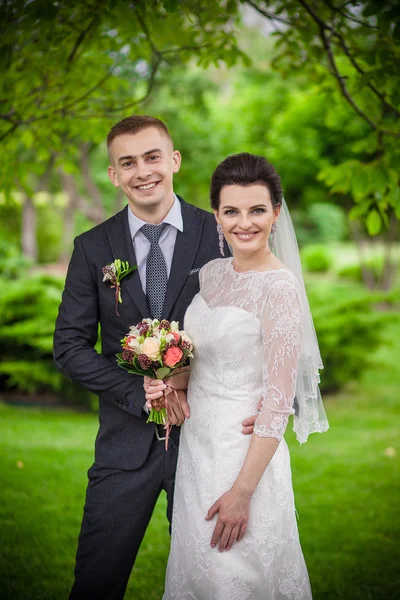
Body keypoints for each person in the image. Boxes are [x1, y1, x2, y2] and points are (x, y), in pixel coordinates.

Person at [53, 116, 259, 599]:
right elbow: (69, 346)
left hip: (207, 443)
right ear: (114, 175)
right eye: (128, 162)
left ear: (174, 161)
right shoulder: (92, 248)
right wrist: (136, 392)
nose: (142, 171)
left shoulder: (219, 234)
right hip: (124, 447)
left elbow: (255, 330)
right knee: (96, 582)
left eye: (151, 157)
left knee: (210, 582)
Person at [145, 152, 329, 599]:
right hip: (197, 452)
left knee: (238, 577)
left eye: (257, 210)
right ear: (217, 215)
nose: (244, 222)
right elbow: (199, 360)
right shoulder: (211, 274)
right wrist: (166, 381)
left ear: (276, 214)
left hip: (245, 459)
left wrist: (243, 493)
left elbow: (279, 400)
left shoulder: (281, 289)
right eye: (231, 211)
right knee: (197, 572)